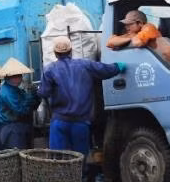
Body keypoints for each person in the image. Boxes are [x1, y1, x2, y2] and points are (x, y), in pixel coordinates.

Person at [38, 36, 124, 167]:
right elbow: (107, 70)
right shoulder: (85, 65)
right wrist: (120, 66)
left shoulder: (49, 70)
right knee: (80, 159)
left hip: (59, 122)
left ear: (55, 53)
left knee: (58, 159)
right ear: (71, 51)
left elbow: (43, 93)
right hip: (81, 122)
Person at [105, 9, 170, 70]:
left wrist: (130, 37)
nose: (126, 27)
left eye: (129, 24)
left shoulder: (149, 28)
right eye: (126, 25)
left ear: (140, 23)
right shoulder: (134, 33)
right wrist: (129, 37)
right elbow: (109, 42)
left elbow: (137, 42)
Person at [0, 58, 40, 150]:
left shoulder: (16, 90)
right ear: (12, 77)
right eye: (19, 76)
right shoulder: (7, 93)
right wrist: (30, 96)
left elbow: (31, 107)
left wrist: (35, 97)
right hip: (12, 130)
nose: (21, 78)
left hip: (20, 128)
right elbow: (20, 110)